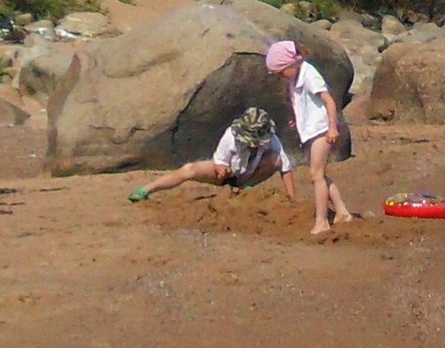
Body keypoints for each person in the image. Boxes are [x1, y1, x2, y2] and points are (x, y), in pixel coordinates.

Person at [264, 38, 356, 236]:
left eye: (281, 72)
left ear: (291, 64)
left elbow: (328, 101)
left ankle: (322, 221)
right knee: (319, 173)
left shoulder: (309, 74)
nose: (280, 77)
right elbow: (302, 103)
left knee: (316, 174)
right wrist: (297, 120)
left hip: (322, 129)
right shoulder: (295, 78)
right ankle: (342, 212)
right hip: (311, 129)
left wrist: (332, 127)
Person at [129, 106, 296, 203]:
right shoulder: (231, 135)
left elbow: (285, 168)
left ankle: (245, 190)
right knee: (190, 169)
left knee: (276, 160)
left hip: (249, 175)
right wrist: (223, 170)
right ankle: (146, 189)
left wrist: (291, 199)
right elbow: (220, 162)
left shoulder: (272, 140)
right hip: (226, 174)